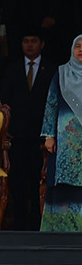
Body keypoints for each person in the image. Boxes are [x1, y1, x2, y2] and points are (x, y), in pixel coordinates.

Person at [1, 30, 57, 230]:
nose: (30, 45)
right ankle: (19, 223)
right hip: (17, 136)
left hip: (42, 138)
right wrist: (3, 130)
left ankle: (38, 222)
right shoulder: (12, 69)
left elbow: (56, 103)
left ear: (42, 44)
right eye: (26, 40)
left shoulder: (52, 69)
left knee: (38, 180)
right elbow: (3, 102)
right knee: (17, 181)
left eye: (34, 41)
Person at [41, 33, 82, 231]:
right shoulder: (62, 73)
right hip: (66, 140)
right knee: (65, 183)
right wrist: (49, 135)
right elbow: (51, 104)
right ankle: (62, 228)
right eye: (78, 46)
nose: (81, 50)